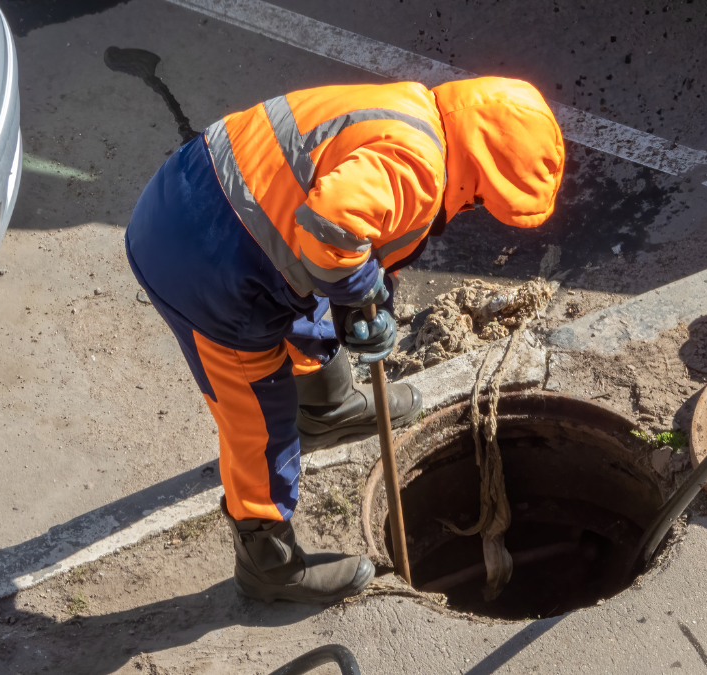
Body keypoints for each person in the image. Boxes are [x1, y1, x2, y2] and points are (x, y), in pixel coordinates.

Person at [125, 77, 565, 604]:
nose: (474, 209)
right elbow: (331, 228)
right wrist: (360, 292)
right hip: (207, 266)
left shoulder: (411, 107)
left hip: (196, 198)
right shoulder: (421, 166)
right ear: (480, 170)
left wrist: (366, 297)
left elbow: (344, 221)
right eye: (482, 201)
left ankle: (327, 409)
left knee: (310, 310)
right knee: (258, 423)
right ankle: (268, 562)